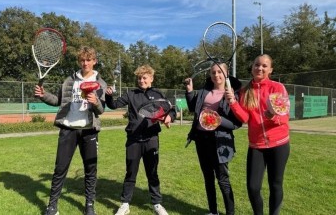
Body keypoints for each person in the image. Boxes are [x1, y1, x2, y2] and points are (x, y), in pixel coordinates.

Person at [34, 46, 106, 215]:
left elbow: (101, 110)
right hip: (68, 129)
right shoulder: (69, 80)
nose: (85, 63)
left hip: (89, 131)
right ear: (79, 61)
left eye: (89, 60)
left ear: (94, 61)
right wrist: (44, 95)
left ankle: (89, 205)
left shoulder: (100, 83)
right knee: (60, 169)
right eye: (82, 60)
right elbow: (58, 101)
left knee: (90, 169)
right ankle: (52, 206)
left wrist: (95, 101)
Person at [105, 64, 176, 215]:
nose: (141, 80)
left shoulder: (158, 94)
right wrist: (109, 95)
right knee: (130, 172)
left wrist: (170, 116)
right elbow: (113, 105)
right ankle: (125, 204)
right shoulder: (131, 94)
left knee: (152, 172)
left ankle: (157, 204)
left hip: (151, 139)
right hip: (133, 140)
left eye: (144, 78)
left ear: (151, 78)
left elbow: (171, 110)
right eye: (139, 78)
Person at [225, 54, 290, 215]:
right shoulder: (245, 91)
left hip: (279, 143)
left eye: (264, 66)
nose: (259, 68)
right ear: (252, 67)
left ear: (270, 70)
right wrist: (233, 102)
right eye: (256, 65)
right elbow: (245, 118)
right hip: (256, 145)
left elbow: (285, 115)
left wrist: (273, 116)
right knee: (253, 187)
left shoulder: (277, 87)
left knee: (275, 184)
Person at [184, 63, 242, 215]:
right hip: (201, 139)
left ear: (226, 73)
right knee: (208, 178)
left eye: (219, 72)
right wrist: (190, 91)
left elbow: (237, 123)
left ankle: (230, 213)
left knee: (223, 180)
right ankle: (213, 211)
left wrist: (218, 120)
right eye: (213, 72)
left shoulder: (233, 94)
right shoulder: (204, 91)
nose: (216, 75)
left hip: (219, 141)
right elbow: (192, 108)